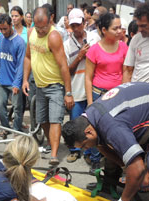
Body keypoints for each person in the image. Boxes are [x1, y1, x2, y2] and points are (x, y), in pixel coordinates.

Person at [22, 7, 74, 167]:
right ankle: (53, 142)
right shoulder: (31, 33)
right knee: (42, 119)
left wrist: (68, 92)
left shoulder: (53, 36)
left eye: (43, 27)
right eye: (37, 27)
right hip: (39, 86)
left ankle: (54, 155)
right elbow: (28, 57)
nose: (40, 30)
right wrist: (25, 79)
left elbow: (63, 66)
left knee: (54, 120)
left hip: (55, 86)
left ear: (50, 20)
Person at [85, 12, 128, 175]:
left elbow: (125, 71)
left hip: (117, 96)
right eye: (115, 28)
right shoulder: (94, 50)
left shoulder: (124, 47)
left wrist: (123, 93)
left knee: (118, 129)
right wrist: (90, 102)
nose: (119, 31)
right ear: (104, 30)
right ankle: (96, 161)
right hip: (99, 95)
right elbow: (88, 78)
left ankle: (116, 162)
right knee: (96, 130)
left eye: (120, 28)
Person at [63, 7, 99, 164]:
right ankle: (75, 150)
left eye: (78, 24)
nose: (76, 28)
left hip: (93, 88)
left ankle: (91, 152)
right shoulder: (66, 45)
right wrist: (79, 57)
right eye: (73, 26)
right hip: (76, 89)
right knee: (76, 122)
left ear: (84, 23)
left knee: (92, 122)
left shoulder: (94, 38)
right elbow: (67, 71)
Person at [0, 14, 26, 132]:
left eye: (5, 29)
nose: (3, 31)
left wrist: (17, 84)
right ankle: (5, 128)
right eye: (1, 29)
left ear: (11, 25)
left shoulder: (20, 42)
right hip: (2, 80)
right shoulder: (1, 38)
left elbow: (21, 65)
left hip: (14, 82)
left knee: (17, 108)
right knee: (0, 106)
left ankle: (16, 130)